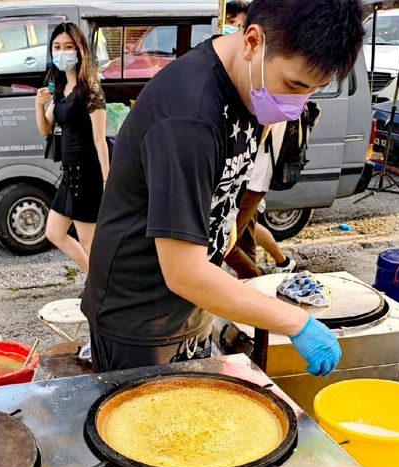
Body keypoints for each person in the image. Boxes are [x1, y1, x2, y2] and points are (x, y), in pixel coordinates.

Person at [82, 0, 364, 376]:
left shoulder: (249, 80)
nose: (297, 105)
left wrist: (226, 217)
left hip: (190, 304)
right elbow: (184, 273)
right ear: (252, 40)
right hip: (138, 319)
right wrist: (295, 322)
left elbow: (237, 159)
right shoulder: (189, 118)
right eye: (294, 85)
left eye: (312, 90)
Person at [35, 22, 109, 274]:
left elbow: (100, 139)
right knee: (54, 232)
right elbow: (45, 129)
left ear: (80, 50)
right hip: (70, 173)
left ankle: (99, 287)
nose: (62, 52)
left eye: (68, 46)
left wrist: (108, 180)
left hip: (87, 174)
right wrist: (37, 104)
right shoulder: (60, 89)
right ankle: (97, 283)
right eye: (57, 47)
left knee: (90, 242)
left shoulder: (90, 89)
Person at [225, 121, 297, 278]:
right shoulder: (276, 99)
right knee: (245, 236)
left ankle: (256, 276)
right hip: (252, 177)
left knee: (222, 239)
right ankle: (252, 281)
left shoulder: (271, 98)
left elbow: (259, 138)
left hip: (252, 178)